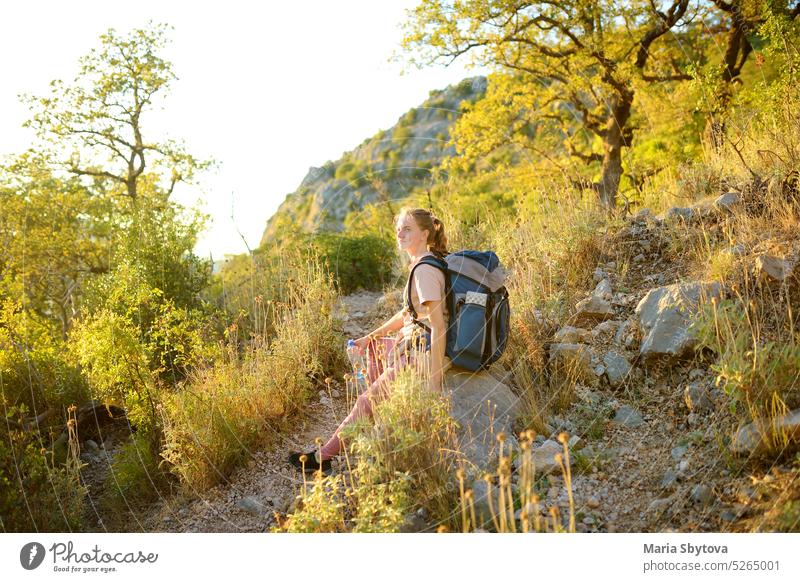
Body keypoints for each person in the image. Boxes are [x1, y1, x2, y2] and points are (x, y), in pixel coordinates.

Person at [288, 207, 451, 473]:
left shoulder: (425, 271)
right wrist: (368, 337)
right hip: (412, 343)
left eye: (407, 228)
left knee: (365, 401)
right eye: (399, 227)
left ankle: (323, 457)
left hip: (423, 351)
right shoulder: (420, 264)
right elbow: (408, 313)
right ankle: (377, 411)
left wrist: (434, 382)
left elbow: (438, 325)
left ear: (424, 233)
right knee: (375, 347)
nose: (400, 233)